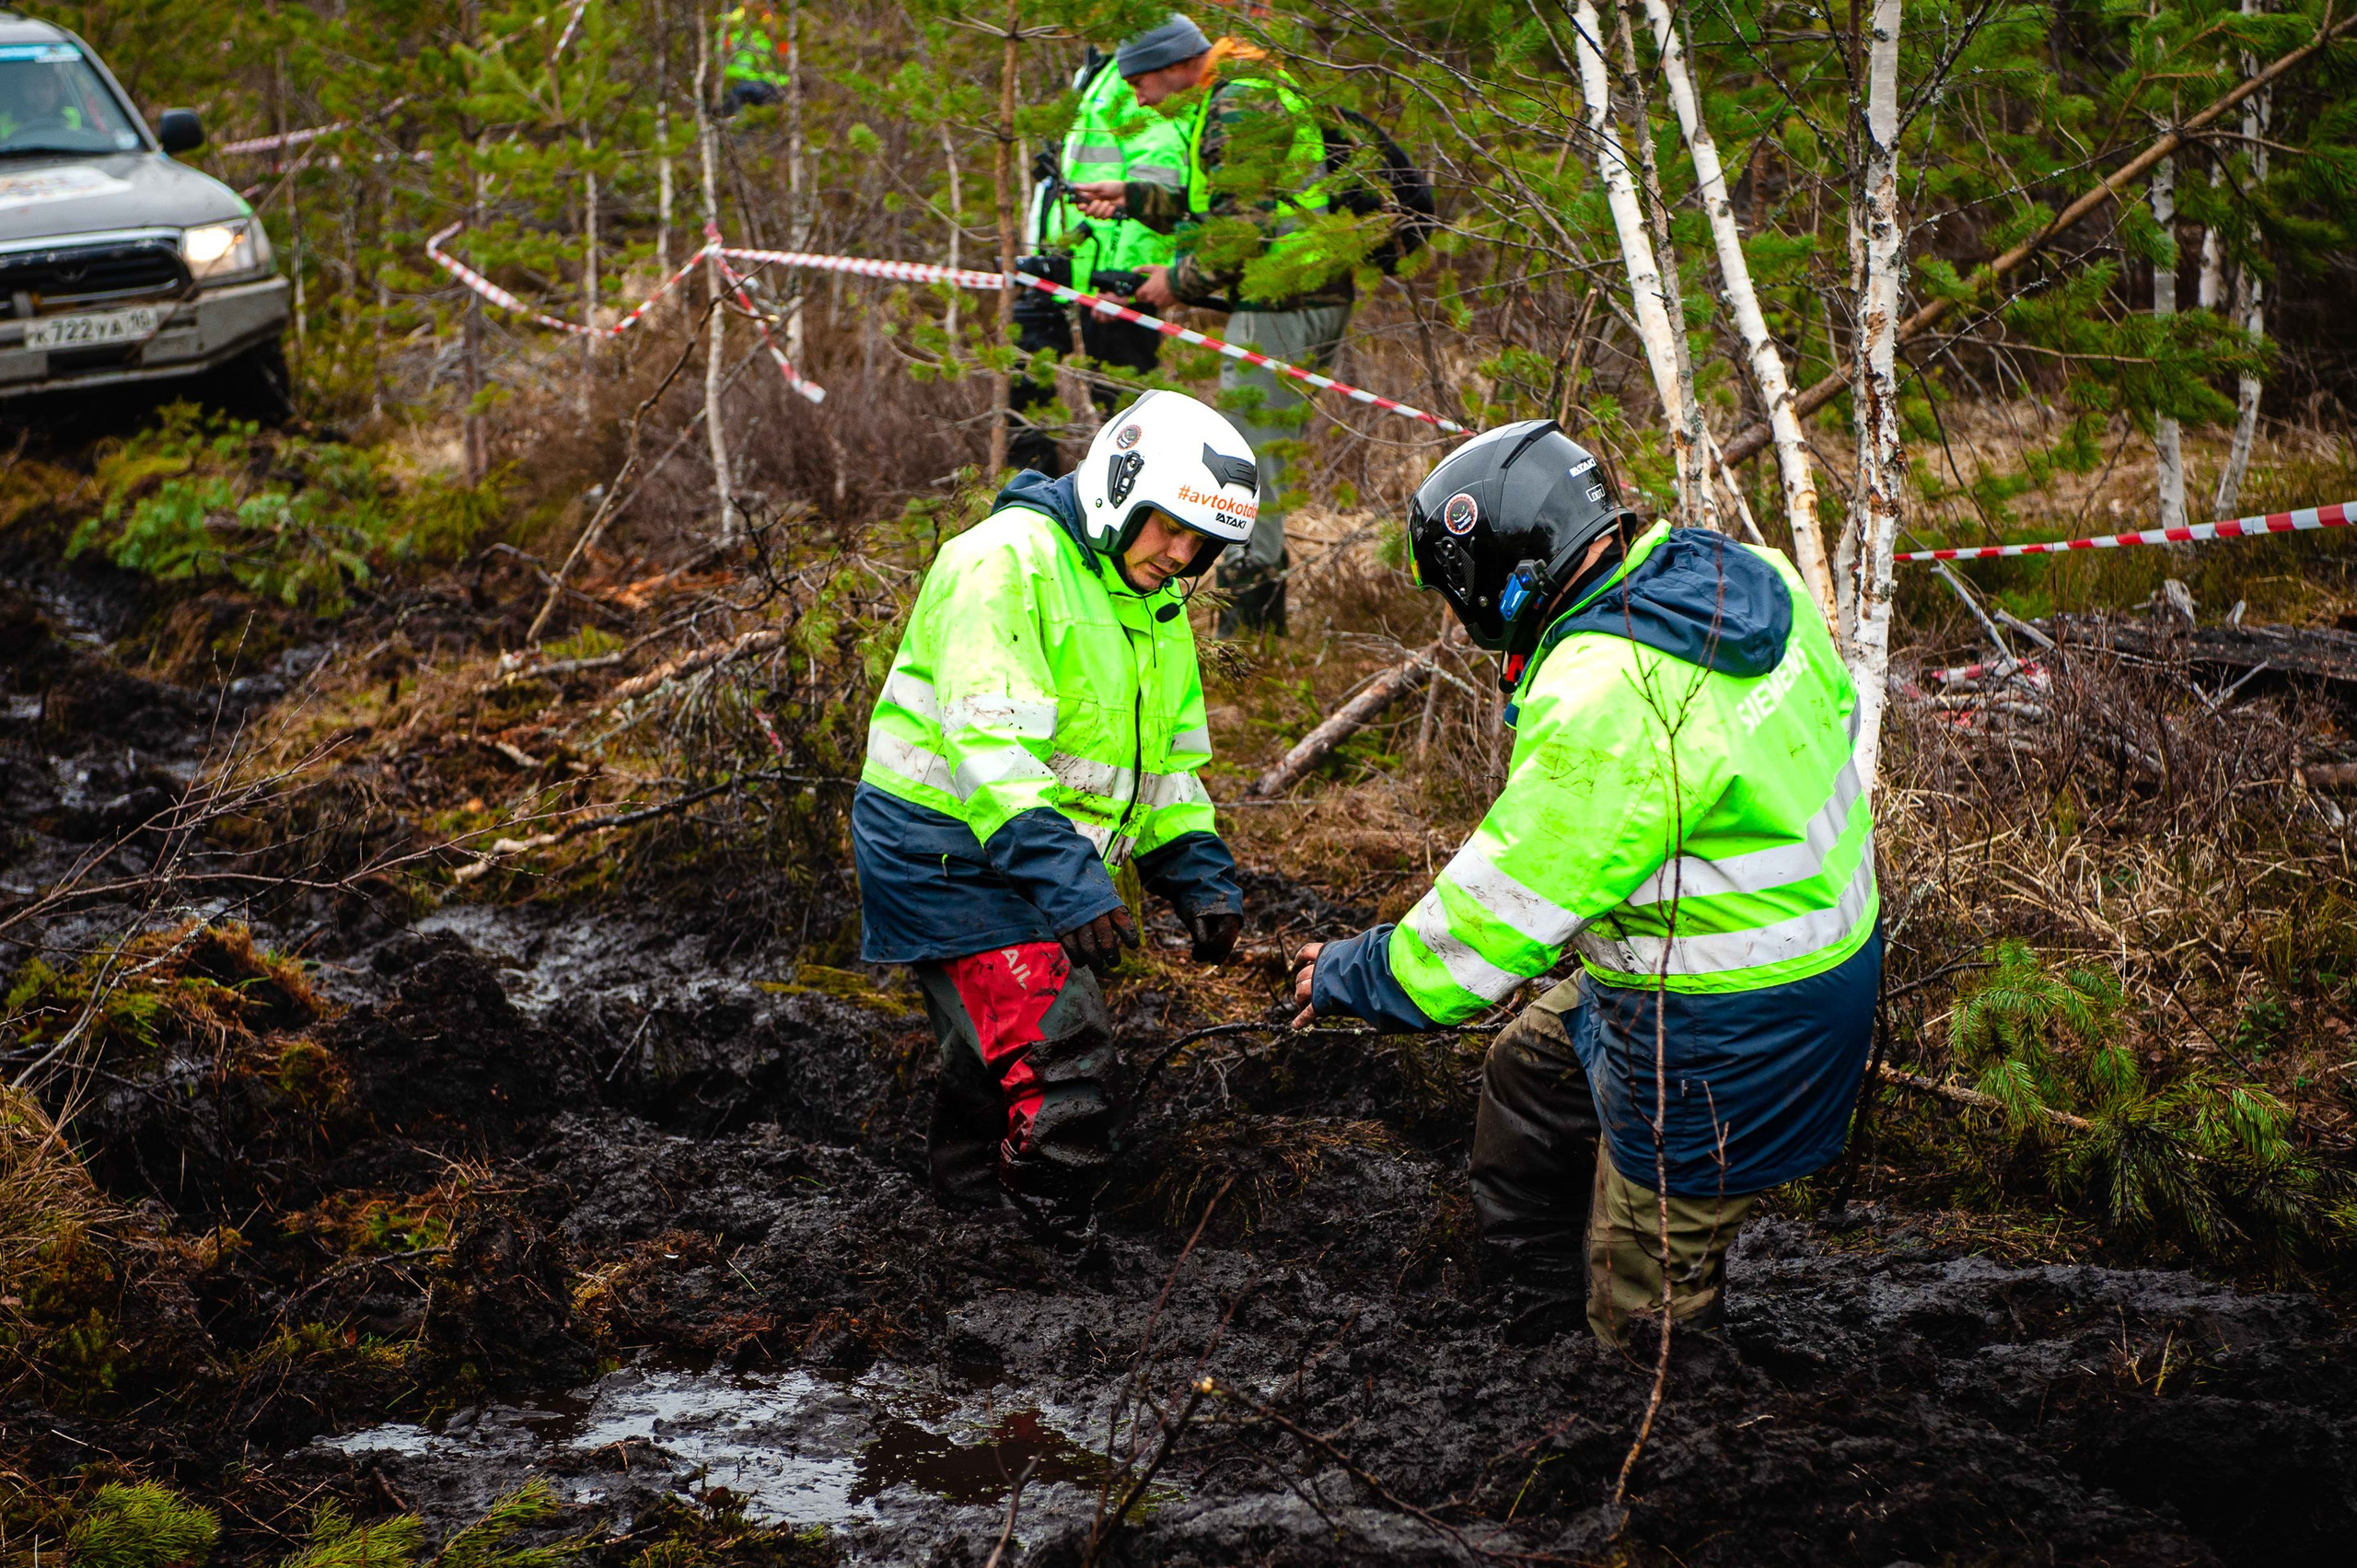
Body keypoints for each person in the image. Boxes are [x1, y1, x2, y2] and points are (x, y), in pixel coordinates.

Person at [1287, 421, 1881, 1345]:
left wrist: (1351, 971)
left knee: (1645, 1301)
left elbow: (1494, 921)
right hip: (1780, 964)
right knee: (1528, 1074)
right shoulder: (1741, 574)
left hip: (1725, 1018)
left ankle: (1650, 1396)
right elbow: (1832, 719)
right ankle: (1531, 1320)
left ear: (1498, 573)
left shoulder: (1607, 686)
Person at [853, 390, 1257, 1238]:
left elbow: (1164, 768)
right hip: (943, 851)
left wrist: (1198, 873)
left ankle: (966, 1215)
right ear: (1122, 487)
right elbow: (991, 750)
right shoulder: (1004, 561)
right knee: (1064, 1055)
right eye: (1170, 528)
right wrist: (1070, 881)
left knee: (995, 1050)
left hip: (1026, 851)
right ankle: (1043, 1246)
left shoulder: (1155, 604)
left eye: (1202, 543)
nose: (1181, 557)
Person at [1072, 17, 1353, 635]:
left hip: (1286, 301)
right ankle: (1259, 626)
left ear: (1173, 63)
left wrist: (1176, 282)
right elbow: (1223, 204)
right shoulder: (1238, 88)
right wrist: (1131, 196)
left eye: (1139, 83)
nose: (1139, 99)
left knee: (1251, 461)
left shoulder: (1239, 100)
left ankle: (1247, 628)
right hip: (1292, 295)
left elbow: (1242, 229)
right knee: (1262, 453)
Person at [1004, 31, 1193, 474]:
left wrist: (1126, 281)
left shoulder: (1138, 76)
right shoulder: (1099, 70)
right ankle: (1031, 496)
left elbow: (1157, 182)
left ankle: (1133, 501)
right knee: (1023, 382)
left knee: (1126, 416)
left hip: (1111, 278)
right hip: (1059, 267)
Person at [717, 4, 790, 114]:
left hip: (770, 85)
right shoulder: (731, 22)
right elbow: (719, 55)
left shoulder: (779, 24)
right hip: (737, 83)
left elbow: (786, 59)